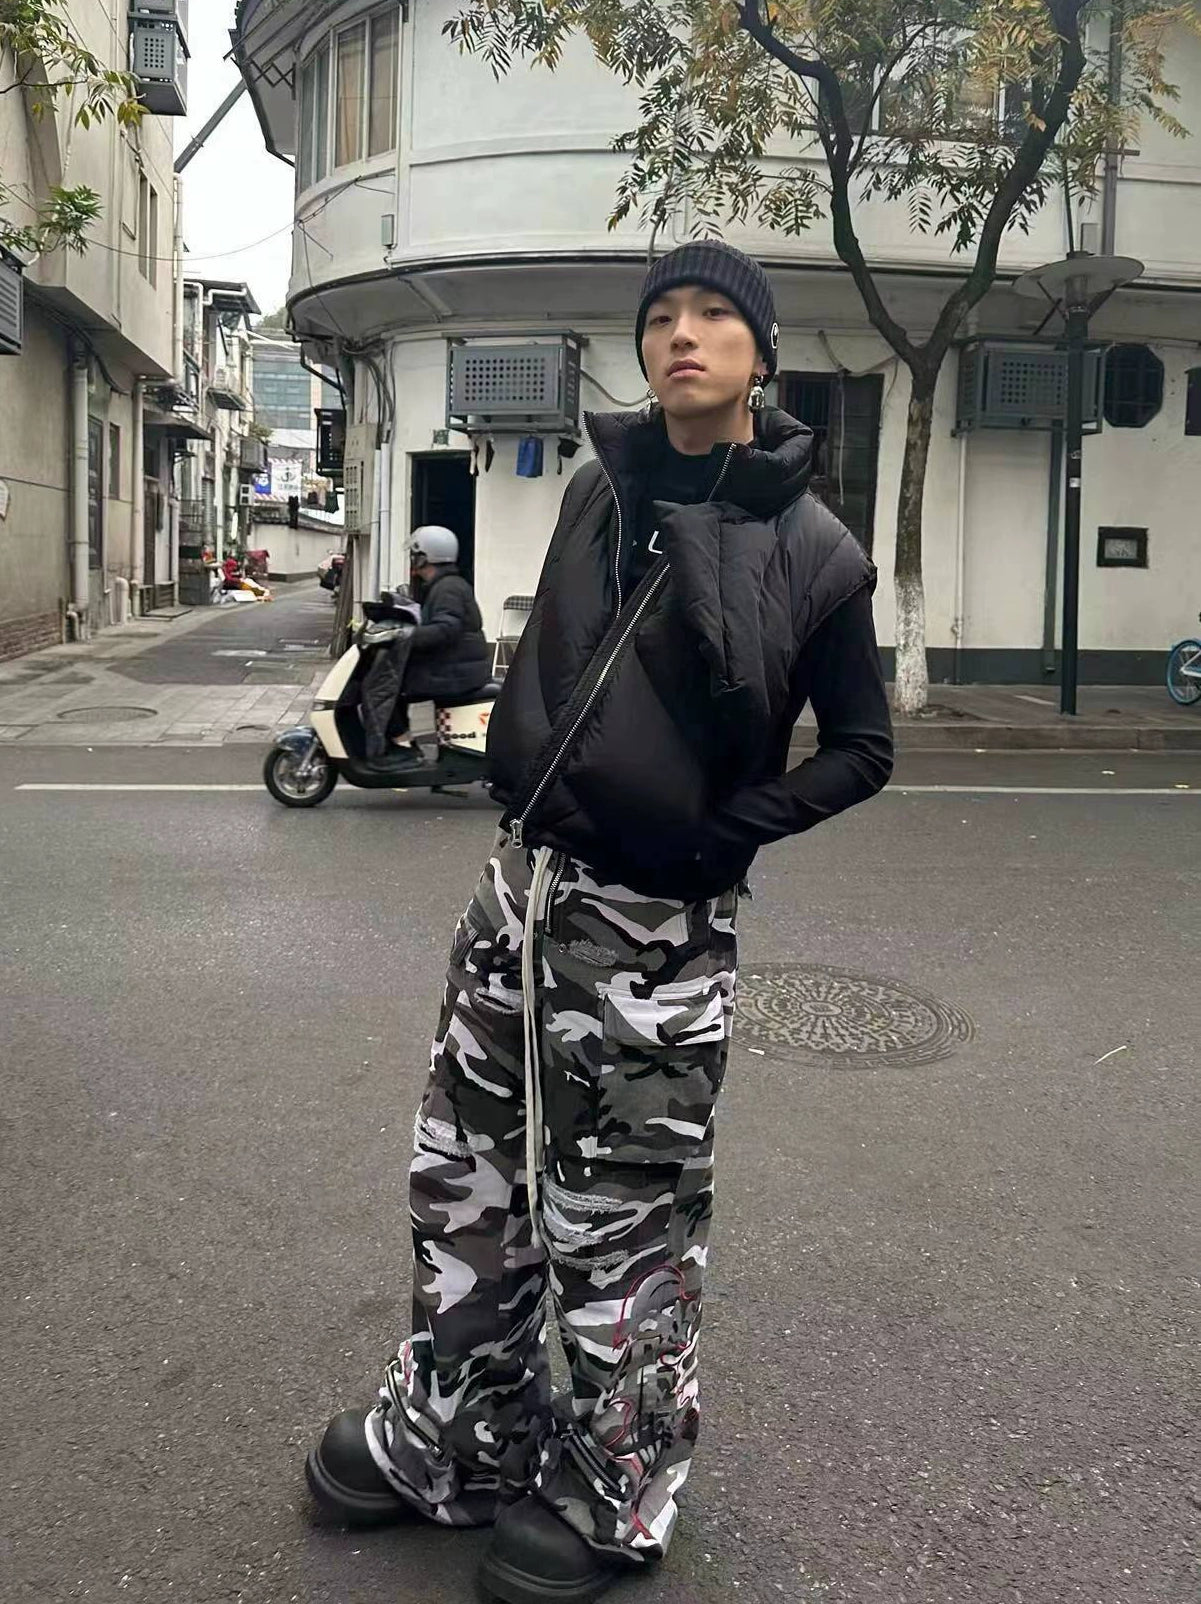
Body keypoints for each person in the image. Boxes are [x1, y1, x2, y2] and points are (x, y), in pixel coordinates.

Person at [305, 240, 894, 1603]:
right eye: (662, 314)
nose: (682, 333)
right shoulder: (598, 485)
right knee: (466, 1168)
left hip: (654, 935)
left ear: (759, 352)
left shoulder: (815, 548)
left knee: (620, 1214)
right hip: (521, 891)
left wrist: (722, 836)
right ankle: (461, 1435)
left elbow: (864, 749)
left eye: (714, 314)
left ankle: (617, 1483)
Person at [362, 526, 491, 770]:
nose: (413, 560)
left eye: (415, 554)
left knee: (380, 687)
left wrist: (403, 635)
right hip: (454, 667)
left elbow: (446, 629)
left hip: (456, 674)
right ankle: (403, 742)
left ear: (425, 557)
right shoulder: (445, 585)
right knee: (390, 682)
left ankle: (398, 747)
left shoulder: (448, 587)